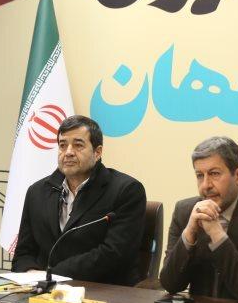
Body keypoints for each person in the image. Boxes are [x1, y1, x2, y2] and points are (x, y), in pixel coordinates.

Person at [12, 115, 146, 285]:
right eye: (62, 145)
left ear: (97, 152)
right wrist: (31, 275)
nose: (68, 152)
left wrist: (52, 275)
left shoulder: (126, 190)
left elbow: (113, 254)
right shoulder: (37, 192)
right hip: (42, 289)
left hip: (103, 291)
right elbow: (24, 253)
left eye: (78, 145)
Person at [159, 136, 238, 303]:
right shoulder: (185, 211)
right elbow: (170, 284)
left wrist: (216, 233)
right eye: (200, 175)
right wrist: (189, 233)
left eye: (214, 174)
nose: (205, 185)